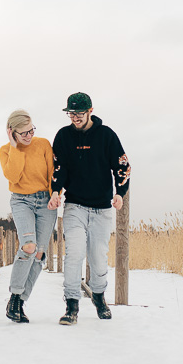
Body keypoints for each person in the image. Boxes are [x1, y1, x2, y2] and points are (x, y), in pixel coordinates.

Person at [49, 92, 131, 325]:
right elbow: (59, 168)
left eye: (79, 113)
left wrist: (119, 193)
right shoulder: (63, 136)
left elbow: (122, 165)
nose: (75, 118)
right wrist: (56, 191)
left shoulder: (106, 135)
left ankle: (98, 295)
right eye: (71, 114)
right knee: (74, 253)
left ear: (90, 111)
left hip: (101, 208)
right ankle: (71, 304)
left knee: (98, 257)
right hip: (75, 205)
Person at [0, 109, 57, 323]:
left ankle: (20, 303)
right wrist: (15, 148)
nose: (29, 136)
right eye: (23, 133)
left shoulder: (43, 144)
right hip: (21, 200)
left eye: (31, 130)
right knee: (29, 247)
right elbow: (13, 176)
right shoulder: (6, 150)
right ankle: (14, 295)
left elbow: (52, 173)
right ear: (12, 133)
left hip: (45, 202)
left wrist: (55, 195)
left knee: (39, 254)